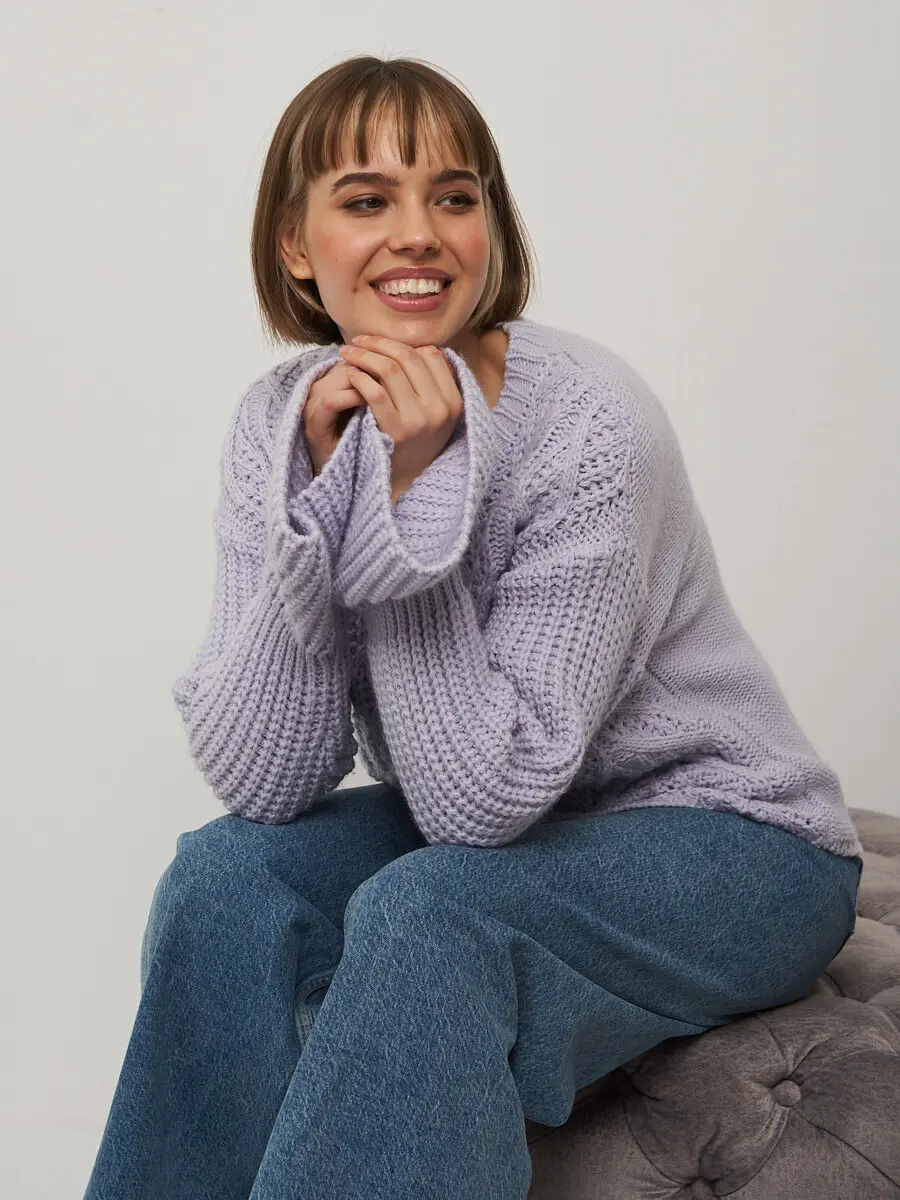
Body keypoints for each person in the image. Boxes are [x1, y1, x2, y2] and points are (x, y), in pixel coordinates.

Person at [83, 54, 864, 1200]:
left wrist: (413, 498)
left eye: (454, 196)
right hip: (538, 835)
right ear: (296, 244)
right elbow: (267, 780)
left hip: (740, 845)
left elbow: (478, 805)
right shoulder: (277, 425)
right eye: (367, 199)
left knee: (433, 914)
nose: (419, 233)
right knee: (225, 879)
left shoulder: (592, 425)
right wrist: (315, 505)